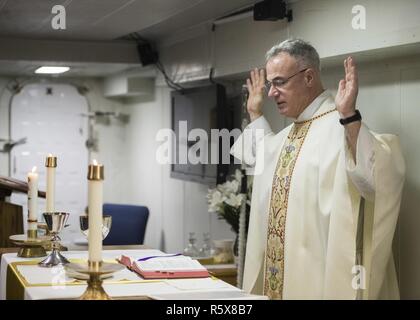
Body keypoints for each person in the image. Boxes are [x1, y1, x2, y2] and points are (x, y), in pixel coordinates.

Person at [231, 39, 405, 299]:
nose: (271, 93)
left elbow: (376, 183)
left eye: (279, 82)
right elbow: (264, 162)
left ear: (309, 77)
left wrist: (350, 118)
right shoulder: (287, 135)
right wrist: (255, 114)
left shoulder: (342, 129)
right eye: (270, 84)